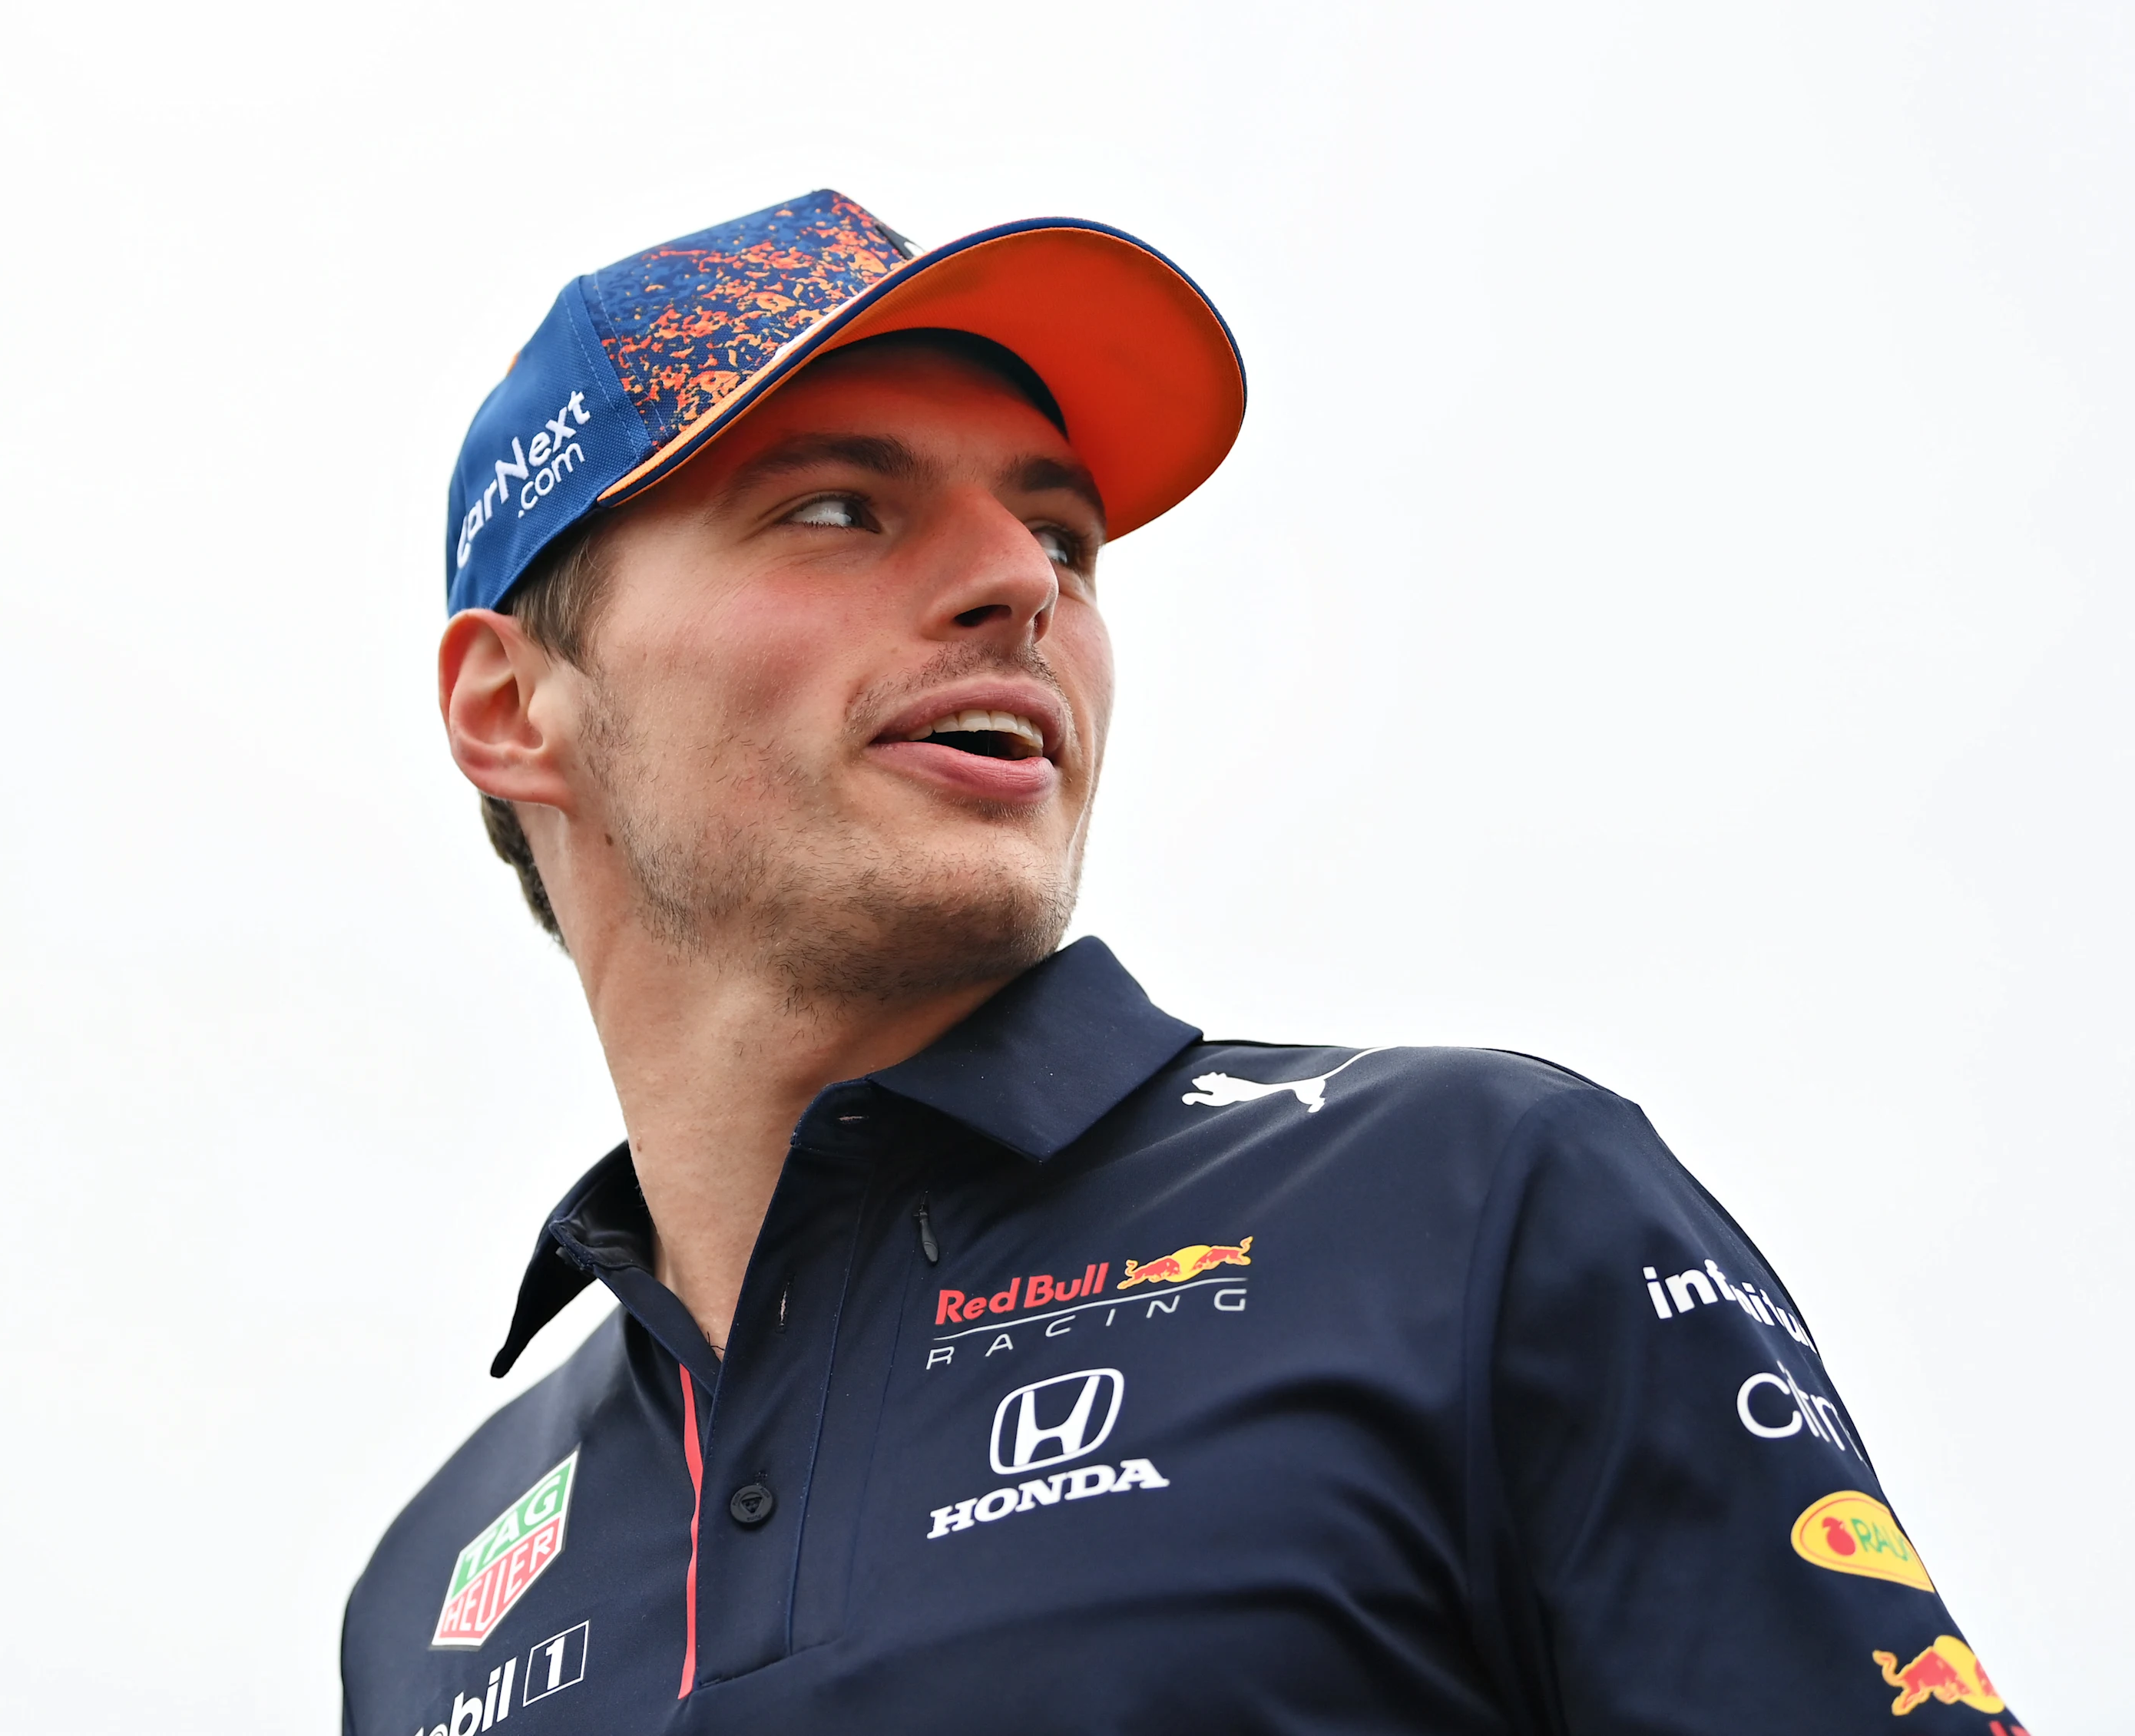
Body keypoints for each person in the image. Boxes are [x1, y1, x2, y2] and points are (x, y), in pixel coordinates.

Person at [341, 190, 2017, 1735]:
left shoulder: (1475, 1204)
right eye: (840, 510)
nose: (1018, 584)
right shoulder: (426, 1596)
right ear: (509, 707)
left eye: (1062, 538)